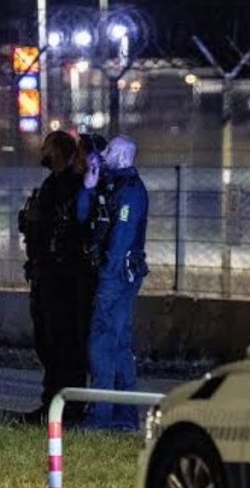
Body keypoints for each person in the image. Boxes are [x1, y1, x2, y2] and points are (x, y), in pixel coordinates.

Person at [18, 131, 92, 424]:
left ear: (59, 150)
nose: (43, 152)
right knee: (47, 344)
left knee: (64, 345)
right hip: (45, 275)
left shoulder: (71, 186)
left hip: (63, 279)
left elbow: (67, 228)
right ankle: (52, 403)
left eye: (48, 147)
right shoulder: (53, 184)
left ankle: (67, 407)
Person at [78, 135, 149, 431]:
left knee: (100, 343)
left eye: (109, 150)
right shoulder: (110, 186)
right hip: (113, 274)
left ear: (122, 156)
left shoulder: (130, 192)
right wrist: (88, 187)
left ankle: (101, 416)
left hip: (117, 277)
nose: (104, 154)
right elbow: (84, 219)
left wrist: (106, 279)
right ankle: (124, 417)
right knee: (118, 345)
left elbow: (120, 241)